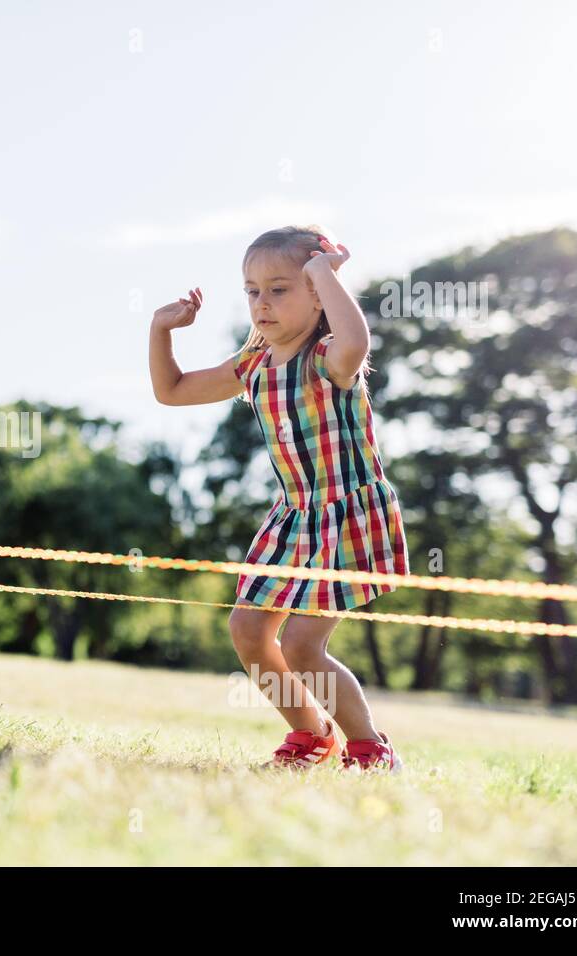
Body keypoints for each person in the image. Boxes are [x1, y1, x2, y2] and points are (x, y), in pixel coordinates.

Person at [148, 225, 408, 772]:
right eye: (252, 291)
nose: (261, 303)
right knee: (246, 630)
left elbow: (357, 343)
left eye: (279, 288)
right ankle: (312, 737)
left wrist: (322, 271)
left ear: (318, 292)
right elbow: (171, 391)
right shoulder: (253, 367)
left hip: (347, 514)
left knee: (302, 648)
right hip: (292, 518)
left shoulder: (329, 357)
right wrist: (161, 330)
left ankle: (370, 750)